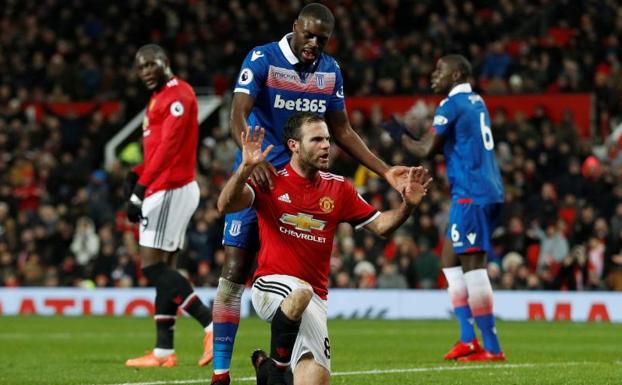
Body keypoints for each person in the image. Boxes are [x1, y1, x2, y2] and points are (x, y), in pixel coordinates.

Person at [211, 3, 409, 384]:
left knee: (297, 279)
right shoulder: (263, 58)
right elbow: (238, 112)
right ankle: (221, 374)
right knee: (234, 271)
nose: (314, 43)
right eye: (309, 34)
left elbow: (343, 130)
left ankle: (278, 368)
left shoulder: (330, 71)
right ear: (295, 28)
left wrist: (385, 171)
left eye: (323, 38)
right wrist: (251, 158)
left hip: (305, 183)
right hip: (263, 176)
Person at [217, 112, 431, 385]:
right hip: (271, 285)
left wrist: (408, 206)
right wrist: (244, 169)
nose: (326, 145)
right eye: (317, 139)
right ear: (294, 145)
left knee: (314, 380)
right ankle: (275, 372)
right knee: (298, 293)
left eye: (328, 139)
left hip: (315, 297)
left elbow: (381, 226)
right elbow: (225, 205)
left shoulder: (339, 189)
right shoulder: (271, 181)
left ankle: (268, 368)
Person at [388, 54, 506, 361]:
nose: (433, 75)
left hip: (471, 193)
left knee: (472, 267)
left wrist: (398, 133)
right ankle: (468, 338)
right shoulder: (476, 101)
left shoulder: (451, 105)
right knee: (450, 257)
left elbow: (426, 148)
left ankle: (491, 347)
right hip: (486, 190)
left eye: (440, 71)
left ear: (455, 75)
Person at [124, 44, 213, 368]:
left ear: (166, 62)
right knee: (165, 270)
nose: (146, 70)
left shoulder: (178, 94)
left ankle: (211, 326)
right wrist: (137, 176)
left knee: (152, 267)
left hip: (170, 188)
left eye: (151, 64)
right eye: (140, 67)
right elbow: (155, 150)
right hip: (168, 186)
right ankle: (164, 351)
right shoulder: (159, 97)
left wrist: (140, 189)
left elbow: (170, 146)